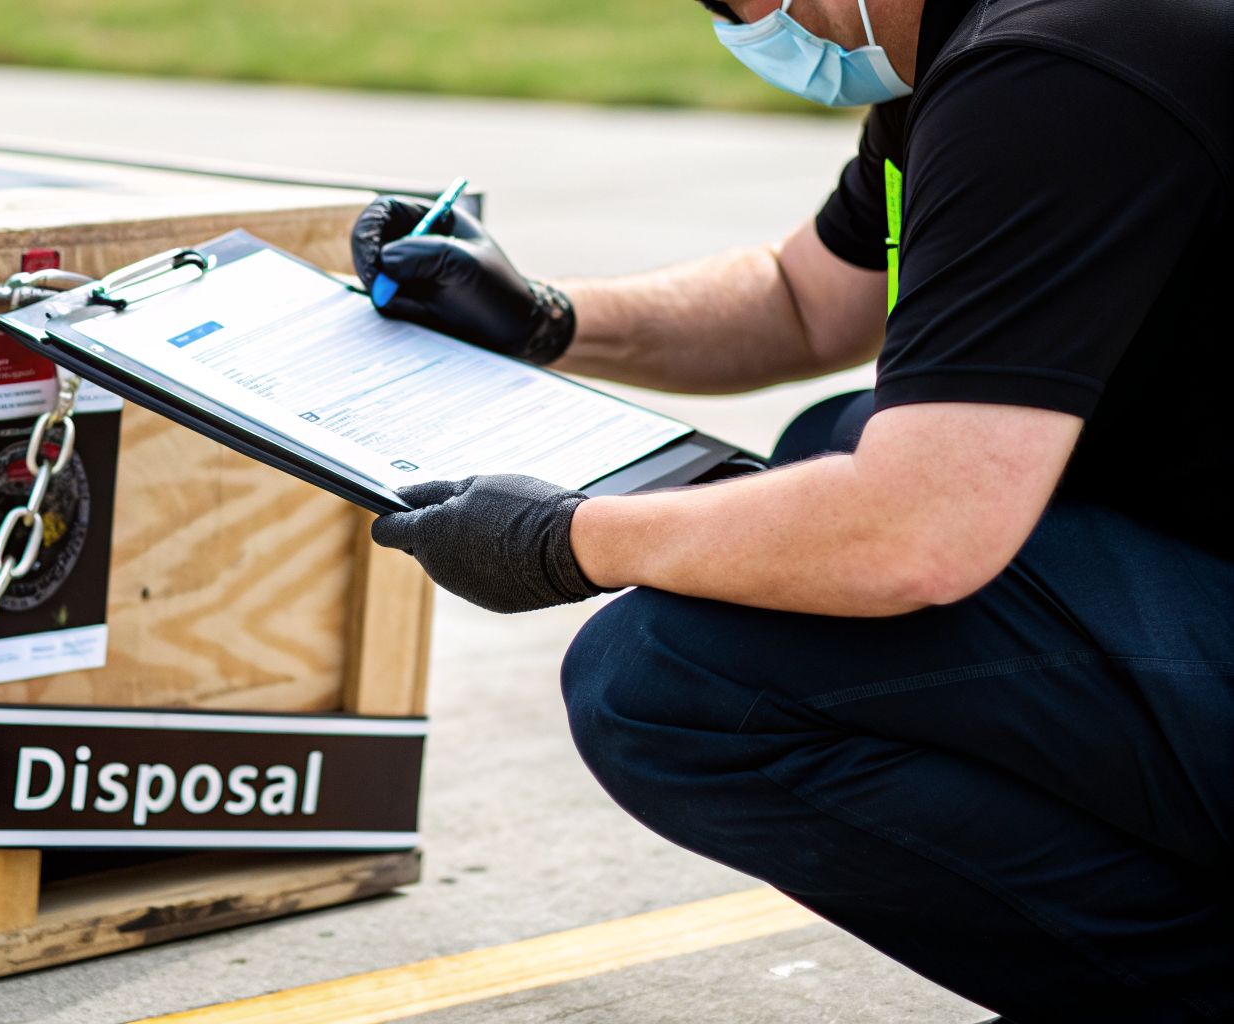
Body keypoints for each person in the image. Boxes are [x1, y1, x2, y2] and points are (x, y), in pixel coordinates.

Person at [351, 1, 1234, 1021]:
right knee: (826, 444)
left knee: (664, 674)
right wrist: (542, 315)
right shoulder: (985, 48)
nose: (739, 17)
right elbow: (803, 299)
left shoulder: (1056, 74)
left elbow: (917, 529)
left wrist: (563, 542)